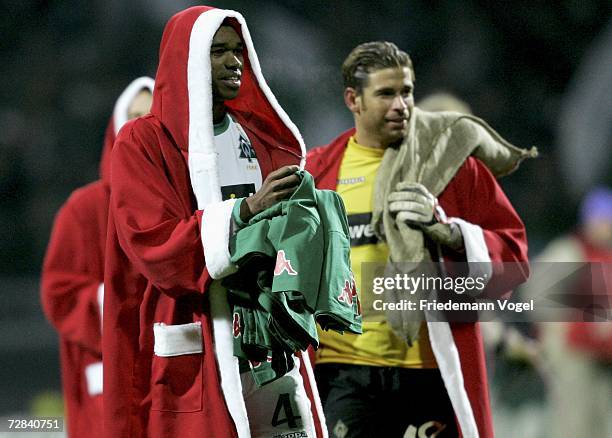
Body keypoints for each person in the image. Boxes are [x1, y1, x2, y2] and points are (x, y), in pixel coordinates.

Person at [103, 6, 325, 438]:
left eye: (238, 50)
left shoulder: (258, 136)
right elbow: (155, 244)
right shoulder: (144, 140)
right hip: (200, 344)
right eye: (217, 51)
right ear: (184, 61)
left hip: (270, 344)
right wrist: (245, 210)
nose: (234, 61)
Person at [306, 41, 531, 437]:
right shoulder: (318, 172)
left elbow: (514, 258)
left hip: (428, 377)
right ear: (352, 100)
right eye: (386, 94)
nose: (401, 105)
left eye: (406, 91)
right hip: (345, 375)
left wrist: (453, 234)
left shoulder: (456, 170)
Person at [41, 76, 154, 438]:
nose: (140, 127)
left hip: (172, 379)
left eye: (153, 117)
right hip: (105, 381)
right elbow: (59, 293)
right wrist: (118, 302)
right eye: (134, 116)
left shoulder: (187, 202)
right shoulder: (83, 209)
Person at [527, 186, 612, 438]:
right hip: (570, 353)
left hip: (601, 354)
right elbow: (535, 291)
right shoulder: (570, 250)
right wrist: (559, 326)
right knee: (573, 423)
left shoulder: (606, 255)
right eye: (601, 220)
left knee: (600, 421)